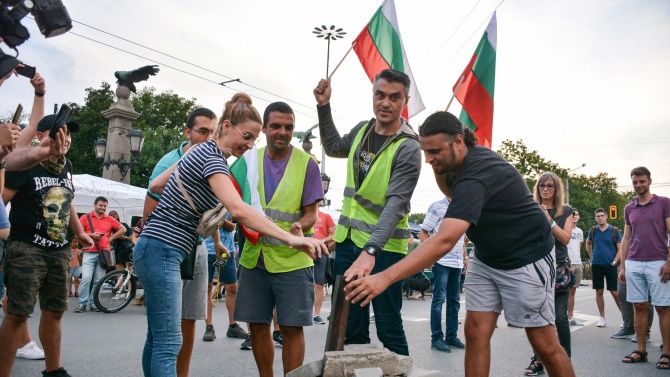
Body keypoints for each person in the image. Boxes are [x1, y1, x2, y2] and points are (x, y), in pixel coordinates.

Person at [344, 111, 575, 377]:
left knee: (544, 345)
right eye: (424, 151)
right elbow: (447, 190)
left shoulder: (477, 175)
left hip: (526, 257)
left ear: (457, 141)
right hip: (488, 257)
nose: (428, 159)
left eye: (434, 151)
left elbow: (444, 240)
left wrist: (384, 278)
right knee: (475, 332)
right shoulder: (453, 165)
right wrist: (437, 161)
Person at [136, 96, 327, 377]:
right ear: (226, 127)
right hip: (165, 249)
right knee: (169, 343)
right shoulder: (214, 159)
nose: (250, 145)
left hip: (154, 246)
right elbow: (239, 209)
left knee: (158, 340)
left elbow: (156, 184)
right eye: (247, 137)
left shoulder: (198, 152)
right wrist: (293, 239)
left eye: (253, 139)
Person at [313, 69, 421, 356]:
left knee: (388, 325)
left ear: (405, 101)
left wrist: (371, 251)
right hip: (349, 243)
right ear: (373, 95)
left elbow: (395, 205)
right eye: (380, 95)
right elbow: (334, 146)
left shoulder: (408, 147)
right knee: (349, 324)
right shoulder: (363, 129)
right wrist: (324, 106)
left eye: (394, 97)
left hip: (383, 249)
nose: (385, 103)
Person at [233, 101, 324, 377]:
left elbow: (312, 213)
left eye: (288, 127)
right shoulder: (248, 160)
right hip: (254, 258)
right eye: (276, 126)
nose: (282, 132)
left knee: (291, 328)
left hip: (292, 261)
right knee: (257, 324)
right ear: (264, 128)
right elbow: (233, 200)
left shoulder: (308, 164)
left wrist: (299, 225)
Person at [0, 114, 94, 377]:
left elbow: (67, 199)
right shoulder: (24, 164)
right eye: (58, 134)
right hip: (27, 247)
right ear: (41, 136)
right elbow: (2, 200)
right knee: (18, 314)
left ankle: (54, 371)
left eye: (69, 135)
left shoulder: (66, 165)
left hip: (60, 250)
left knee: (54, 312)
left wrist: (79, 232)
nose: (66, 140)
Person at [143, 107, 217, 377]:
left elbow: (212, 210)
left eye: (213, 132)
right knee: (163, 333)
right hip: (168, 246)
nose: (208, 137)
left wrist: (217, 241)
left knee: (188, 320)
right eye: (203, 131)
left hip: (196, 247)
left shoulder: (212, 161)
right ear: (187, 132)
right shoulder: (169, 162)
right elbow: (150, 205)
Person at [523, 172, 574, 375]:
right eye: (542, 186)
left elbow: (565, 239)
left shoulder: (566, 211)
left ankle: (565, 359)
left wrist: (549, 220)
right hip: (537, 266)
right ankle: (538, 361)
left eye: (549, 186)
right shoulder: (530, 208)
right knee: (539, 318)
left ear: (556, 189)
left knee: (560, 318)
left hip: (559, 267)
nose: (545, 189)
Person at [619, 166, 670, 369]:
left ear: (649, 181)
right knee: (638, 306)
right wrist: (623, 266)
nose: (638, 185)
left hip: (658, 262)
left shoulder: (664, 203)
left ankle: (667, 352)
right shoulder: (629, 208)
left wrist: (669, 262)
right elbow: (626, 237)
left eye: (642, 181)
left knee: (663, 308)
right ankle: (641, 350)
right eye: (635, 182)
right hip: (633, 262)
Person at [420, 196, 467, 352]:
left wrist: (465, 257)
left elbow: (463, 239)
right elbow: (423, 232)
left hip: (457, 263)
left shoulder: (463, 205)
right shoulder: (437, 206)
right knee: (439, 299)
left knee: (454, 301)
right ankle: (437, 339)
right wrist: (429, 255)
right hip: (441, 261)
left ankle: (451, 337)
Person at [203, 213, 248, 341]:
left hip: (226, 251)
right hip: (206, 249)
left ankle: (233, 326)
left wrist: (219, 220)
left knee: (232, 287)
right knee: (207, 287)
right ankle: (209, 327)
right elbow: (204, 224)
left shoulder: (227, 205)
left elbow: (231, 227)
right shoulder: (208, 202)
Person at [77, 196, 126, 313]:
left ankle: (94, 303)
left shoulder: (109, 219)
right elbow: (78, 233)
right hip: (89, 252)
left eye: (105, 206)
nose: (103, 208)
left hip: (104, 253)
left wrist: (111, 237)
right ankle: (82, 303)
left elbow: (123, 229)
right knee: (86, 278)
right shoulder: (85, 217)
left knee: (98, 280)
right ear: (95, 205)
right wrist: (91, 235)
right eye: (101, 205)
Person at [586, 208, 623, 327]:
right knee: (599, 291)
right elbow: (588, 244)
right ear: (595, 217)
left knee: (614, 292)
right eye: (598, 216)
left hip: (610, 265)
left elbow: (620, 249)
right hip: (597, 264)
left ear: (606, 216)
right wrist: (592, 257)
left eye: (602, 215)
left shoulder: (614, 230)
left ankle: (624, 317)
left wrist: (615, 261)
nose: (600, 218)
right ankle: (602, 318)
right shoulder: (593, 230)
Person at [313, 204, 336, 324]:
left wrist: (322, 240)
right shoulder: (303, 214)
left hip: (320, 252)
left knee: (319, 284)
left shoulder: (326, 216)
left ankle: (316, 314)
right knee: (301, 283)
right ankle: (301, 312)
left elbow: (333, 233)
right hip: (303, 251)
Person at [566, 208, 584, 326]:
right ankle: (561, 316)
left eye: (576, 214)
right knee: (565, 291)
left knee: (573, 292)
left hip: (578, 263)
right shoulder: (565, 229)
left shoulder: (580, 231)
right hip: (568, 263)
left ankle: (570, 317)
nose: (574, 216)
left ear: (579, 217)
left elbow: (579, 247)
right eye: (572, 214)